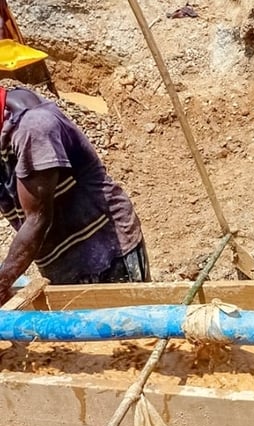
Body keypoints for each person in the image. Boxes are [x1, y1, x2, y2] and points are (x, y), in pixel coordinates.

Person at [0, 85, 149, 304]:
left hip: (106, 251)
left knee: (134, 331)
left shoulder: (32, 127)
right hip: (57, 259)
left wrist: (3, 281)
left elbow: (37, 219)